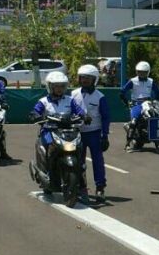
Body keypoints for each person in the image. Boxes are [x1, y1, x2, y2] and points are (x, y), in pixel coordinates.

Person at [72, 65, 110, 201]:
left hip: (94, 133)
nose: (84, 80)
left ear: (95, 79)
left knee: (98, 161)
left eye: (88, 78)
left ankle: (100, 188)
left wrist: (105, 135)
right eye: (82, 78)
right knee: (77, 161)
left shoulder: (100, 97)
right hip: (77, 133)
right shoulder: (73, 94)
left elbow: (105, 117)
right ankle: (80, 187)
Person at [30, 71, 88, 151]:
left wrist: (84, 116)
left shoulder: (70, 100)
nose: (59, 89)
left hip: (68, 131)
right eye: (56, 86)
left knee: (78, 146)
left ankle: (80, 163)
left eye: (62, 86)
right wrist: (35, 116)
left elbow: (79, 110)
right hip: (49, 130)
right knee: (47, 145)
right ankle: (47, 162)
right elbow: (35, 111)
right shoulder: (43, 101)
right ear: (50, 87)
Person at [120, 61, 159, 135]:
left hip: (148, 103)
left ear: (148, 72)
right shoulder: (133, 81)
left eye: (144, 72)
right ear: (137, 72)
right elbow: (122, 92)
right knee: (134, 121)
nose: (142, 74)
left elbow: (158, 92)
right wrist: (126, 102)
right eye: (140, 72)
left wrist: (156, 101)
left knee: (157, 116)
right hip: (136, 103)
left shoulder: (151, 81)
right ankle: (128, 142)